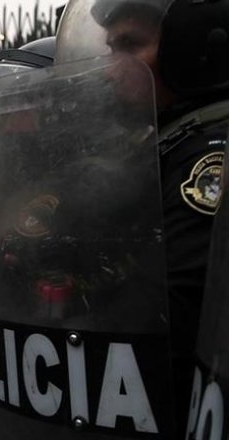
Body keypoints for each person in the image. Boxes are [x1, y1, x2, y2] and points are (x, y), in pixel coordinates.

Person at [80, 0, 228, 428]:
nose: (111, 70)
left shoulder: (206, 155)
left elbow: (164, 316)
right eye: (112, 49)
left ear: (194, 48)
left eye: (129, 45)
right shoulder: (170, 140)